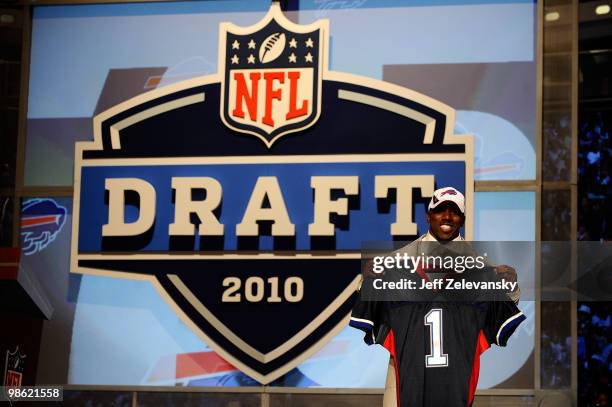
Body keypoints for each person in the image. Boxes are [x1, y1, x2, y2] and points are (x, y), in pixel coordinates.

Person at [352, 186, 523, 407]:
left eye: (454, 212)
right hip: (406, 370)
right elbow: (367, 299)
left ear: (462, 219)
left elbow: (504, 305)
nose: (447, 216)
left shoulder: (480, 267)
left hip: (454, 374)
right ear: (428, 215)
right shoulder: (396, 261)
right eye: (441, 209)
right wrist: (366, 281)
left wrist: (510, 286)